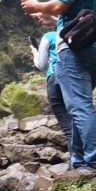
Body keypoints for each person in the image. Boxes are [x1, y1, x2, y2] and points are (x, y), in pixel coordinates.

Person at [20, 0, 96, 178]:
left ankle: (94, 162)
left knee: (78, 106)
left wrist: (37, 6)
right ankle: (79, 161)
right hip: (92, 49)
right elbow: (78, 18)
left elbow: (60, 4)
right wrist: (50, 21)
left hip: (73, 52)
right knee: (78, 104)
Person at [30, 14, 72, 154]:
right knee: (77, 119)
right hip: (72, 77)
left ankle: (76, 163)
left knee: (68, 127)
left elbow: (41, 64)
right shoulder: (71, 34)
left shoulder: (48, 37)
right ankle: (87, 159)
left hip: (54, 79)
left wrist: (35, 52)